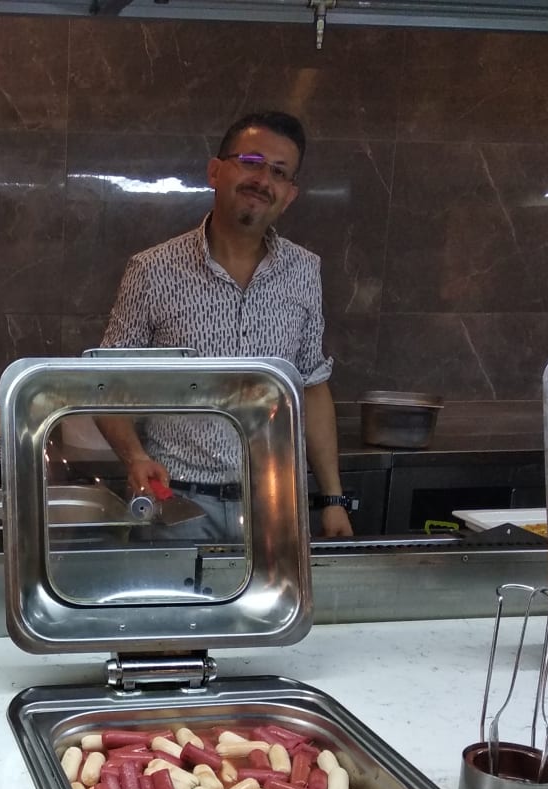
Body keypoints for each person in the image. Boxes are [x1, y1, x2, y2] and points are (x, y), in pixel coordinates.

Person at [94, 110, 354, 541]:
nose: (262, 180)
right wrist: (134, 457)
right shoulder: (153, 269)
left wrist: (333, 498)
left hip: (274, 506)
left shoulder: (305, 270)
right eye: (251, 161)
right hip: (176, 505)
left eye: (279, 172)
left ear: (289, 194)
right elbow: (106, 383)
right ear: (215, 171)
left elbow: (311, 386)